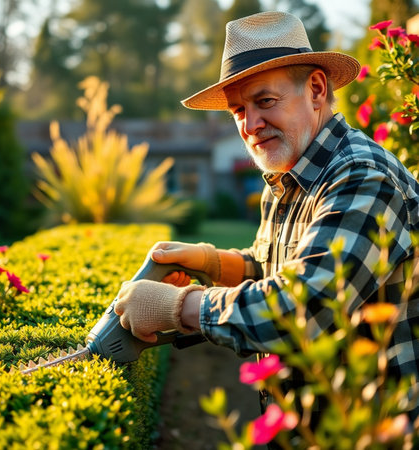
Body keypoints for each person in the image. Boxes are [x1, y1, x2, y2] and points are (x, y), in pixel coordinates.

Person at [115, 10, 419, 429]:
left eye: (265, 101)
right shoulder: (289, 173)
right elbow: (278, 266)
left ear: (315, 89)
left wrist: (179, 306)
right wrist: (213, 262)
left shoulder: (363, 178)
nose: (250, 125)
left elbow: (301, 308)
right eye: (237, 109)